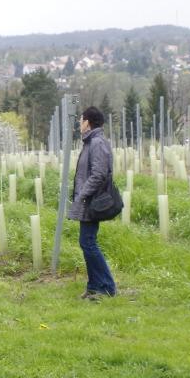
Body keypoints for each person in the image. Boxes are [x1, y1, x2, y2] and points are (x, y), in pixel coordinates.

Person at [68, 106, 118, 299]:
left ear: (87, 122)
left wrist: (82, 194)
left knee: (88, 243)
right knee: (86, 242)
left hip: (92, 200)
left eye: (81, 120)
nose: (79, 124)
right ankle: (94, 286)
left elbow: (98, 174)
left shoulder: (97, 143)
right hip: (88, 200)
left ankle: (107, 286)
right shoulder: (91, 142)